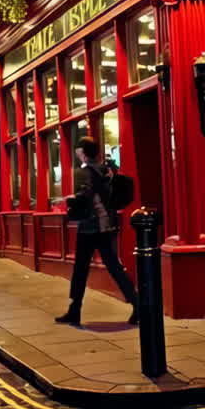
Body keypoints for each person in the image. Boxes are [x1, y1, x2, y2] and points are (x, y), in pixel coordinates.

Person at [56, 137, 138, 328]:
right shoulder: (105, 169)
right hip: (107, 224)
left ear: (83, 152)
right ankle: (137, 304)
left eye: (78, 150)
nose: (77, 153)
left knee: (80, 269)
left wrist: (68, 199)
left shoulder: (83, 171)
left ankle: (74, 310)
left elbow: (85, 196)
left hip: (90, 226)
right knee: (113, 266)